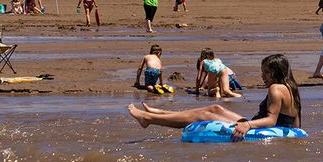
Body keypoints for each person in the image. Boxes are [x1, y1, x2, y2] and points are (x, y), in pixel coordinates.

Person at [128, 54, 301, 140]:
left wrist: (247, 125)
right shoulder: (291, 87)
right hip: (260, 125)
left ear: (275, 72)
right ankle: (160, 112)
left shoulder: (276, 89)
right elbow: (296, 123)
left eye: (266, 73)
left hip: (257, 128)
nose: (263, 77)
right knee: (215, 108)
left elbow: (271, 120)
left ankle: (148, 118)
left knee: (205, 115)